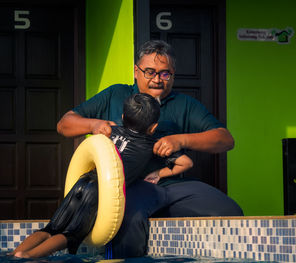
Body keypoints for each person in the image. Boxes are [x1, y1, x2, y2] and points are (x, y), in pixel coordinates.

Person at [57, 40, 244, 259]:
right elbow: (64, 124)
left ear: (173, 75)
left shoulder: (184, 104)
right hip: (129, 189)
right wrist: (94, 125)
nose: (157, 79)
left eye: (165, 74)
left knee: (230, 211)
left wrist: (180, 140)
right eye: (150, 72)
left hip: (172, 187)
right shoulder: (116, 95)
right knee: (126, 218)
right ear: (136, 72)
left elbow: (225, 140)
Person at [11, 93, 193, 258]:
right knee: (71, 235)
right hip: (99, 192)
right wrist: (157, 173)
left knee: (51, 228)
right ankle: (29, 257)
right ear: (153, 128)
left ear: (123, 117)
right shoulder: (151, 144)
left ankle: (15, 254)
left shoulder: (110, 131)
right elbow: (186, 163)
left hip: (83, 182)